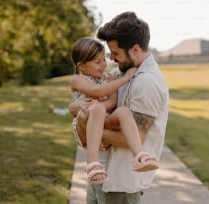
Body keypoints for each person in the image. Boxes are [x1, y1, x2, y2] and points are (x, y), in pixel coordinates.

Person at [69, 11, 169, 204]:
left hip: (120, 183)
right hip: (102, 173)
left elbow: (133, 138)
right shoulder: (124, 72)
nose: (111, 60)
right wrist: (74, 106)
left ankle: (139, 157)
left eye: (115, 53)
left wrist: (86, 128)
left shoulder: (147, 82)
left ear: (135, 49)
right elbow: (98, 87)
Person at [69, 37, 159, 185]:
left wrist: (103, 104)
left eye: (103, 59)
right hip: (85, 120)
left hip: (104, 118)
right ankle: (92, 164)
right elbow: (98, 92)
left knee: (123, 111)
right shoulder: (76, 79)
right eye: (98, 62)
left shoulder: (107, 77)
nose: (104, 64)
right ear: (82, 66)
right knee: (96, 108)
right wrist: (126, 78)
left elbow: (112, 100)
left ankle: (139, 155)